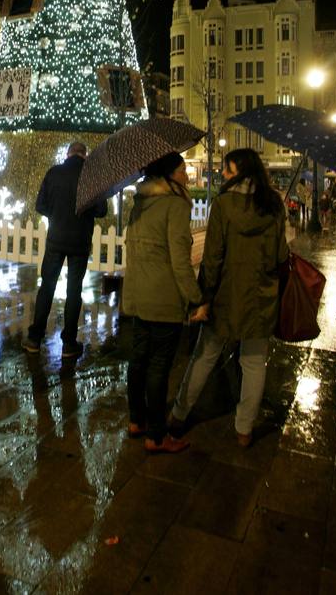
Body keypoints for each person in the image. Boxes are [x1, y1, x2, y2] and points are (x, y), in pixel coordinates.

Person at [169, 148, 289, 448]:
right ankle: (244, 430)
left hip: (225, 295)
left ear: (240, 172)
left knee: (205, 355)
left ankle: (179, 415)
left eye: (227, 169)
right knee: (254, 362)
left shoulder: (223, 204)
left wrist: (203, 297)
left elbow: (213, 257)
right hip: (262, 296)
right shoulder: (273, 204)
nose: (222, 174)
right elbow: (280, 255)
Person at [123, 151, 204, 454]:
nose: (186, 175)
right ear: (170, 174)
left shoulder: (140, 203)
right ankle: (157, 436)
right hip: (163, 297)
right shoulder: (174, 205)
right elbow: (180, 260)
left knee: (138, 359)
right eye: (182, 170)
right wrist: (195, 298)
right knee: (158, 366)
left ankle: (136, 420)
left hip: (138, 293)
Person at [22, 142, 107, 359]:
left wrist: (57, 214)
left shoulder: (54, 172)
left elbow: (40, 205)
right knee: (74, 291)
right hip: (79, 241)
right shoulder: (92, 176)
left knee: (47, 287)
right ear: (84, 155)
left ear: (68, 153)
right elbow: (101, 210)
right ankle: (69, 342)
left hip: (56, 239)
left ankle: (35, 338)